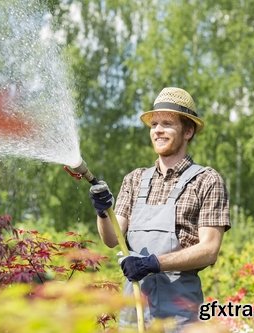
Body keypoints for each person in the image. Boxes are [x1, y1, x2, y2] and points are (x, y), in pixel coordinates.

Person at [89, 87, 230, 330]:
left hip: (179, 314)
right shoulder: (134, 180)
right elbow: (112, 238)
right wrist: (103, 212)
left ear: (188, 131)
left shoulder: (206, 180)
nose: (158, 130)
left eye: (167, 123)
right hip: (134, 309)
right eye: (154, 124)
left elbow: (209, 250)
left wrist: (154, 263)